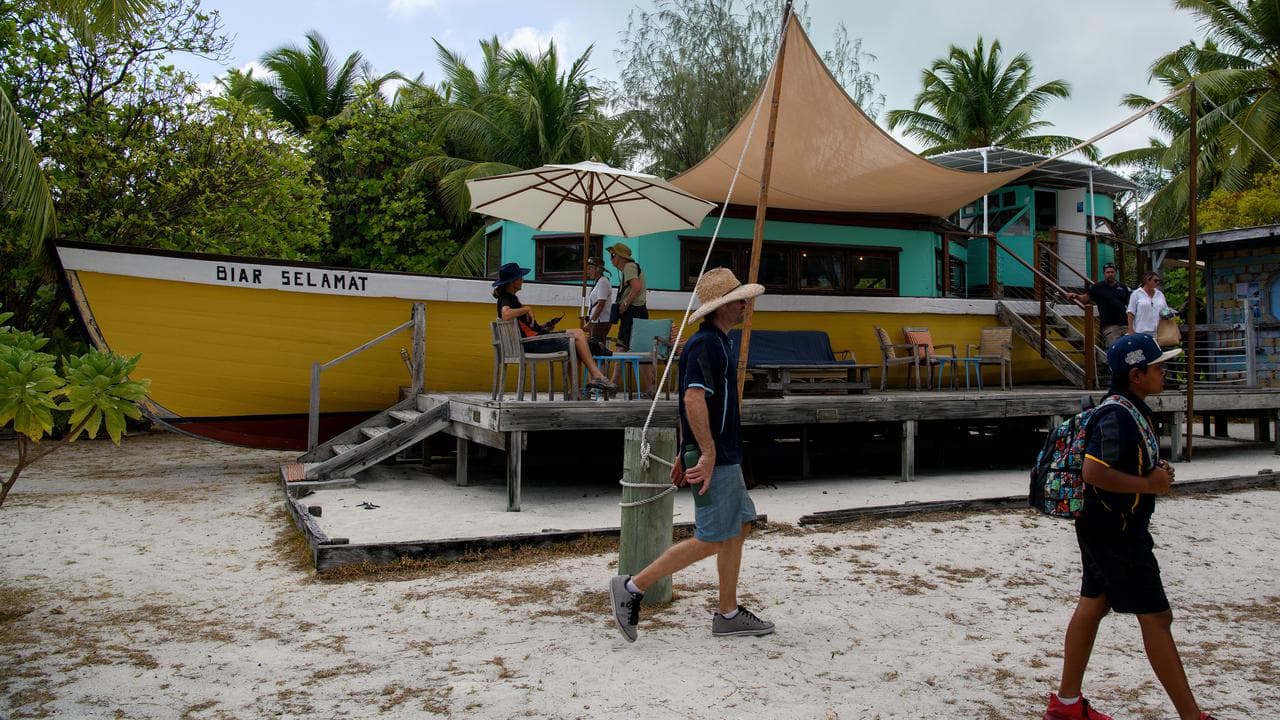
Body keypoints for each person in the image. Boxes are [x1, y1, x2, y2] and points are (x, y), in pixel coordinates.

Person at [1042, 334, 1216, 720]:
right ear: (1136, 374)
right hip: (1116, 531)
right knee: (1156, 617)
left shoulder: (1130, 408)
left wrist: (1154, 473)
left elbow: (1127, 463)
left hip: (1102, 526)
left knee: (1094, 603)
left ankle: (1066, 705)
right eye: (1158, 367)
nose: (1163, 372)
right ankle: (1193, 716)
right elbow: (1094, 472)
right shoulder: (1117, 415)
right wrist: (1148, 484)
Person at [608, 267, 774, 642]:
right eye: (739, 300)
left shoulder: (721, 342)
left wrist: (687, 450)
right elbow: (692, 398)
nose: (746, 305)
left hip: (722, 452)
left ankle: (728, 613)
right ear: (724, 306)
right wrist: (706, 452)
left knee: (739, 526)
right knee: (713, 536)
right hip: (717, 456)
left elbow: (694, 404)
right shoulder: (705, 344)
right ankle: (632, 587)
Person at [491, 263, 616, 393]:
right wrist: (527, 308)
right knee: (578, 337)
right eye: (520, 278)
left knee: (578, 339)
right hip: (532, 344)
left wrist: (545, 327)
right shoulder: (506, 299)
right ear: (512, 282)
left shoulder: (511, 298)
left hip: (535, 340)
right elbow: (506, 314)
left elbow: (527, 327)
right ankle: (595, 376)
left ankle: (578, 390)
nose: (522, 280)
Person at [1067, 262, 1130, 348]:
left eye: (1112, 272)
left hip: (1125, 325)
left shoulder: (1123, 287)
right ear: (1104, 273)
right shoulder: (1098, 287)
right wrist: (1076, 296)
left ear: (1115, 273)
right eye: (1108, 272)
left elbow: (1130, 305)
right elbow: (1085, 298)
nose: (1110, 274)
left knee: (1130, 348)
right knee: (1115, 348)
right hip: (1110, 326)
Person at [1127, 271, 1169, 337]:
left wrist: (1169, 315)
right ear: (1147, 280)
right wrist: (1130, 329)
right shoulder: (1136, 294)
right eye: (1155, 280)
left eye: (1159, 281)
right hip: (1141, 332)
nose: (1157, 282)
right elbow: (1131, 313)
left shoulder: (1160, 294)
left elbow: (1165, 310)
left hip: (1158, 332)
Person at [584, 256, 612, 340]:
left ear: (598, 269)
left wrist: (591, 322)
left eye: (589, 269)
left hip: (600, 322)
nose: (587, 272)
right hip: (596, 321)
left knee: (597, 348)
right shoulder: (598, 282)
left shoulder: (603, 282)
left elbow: (601, 304)